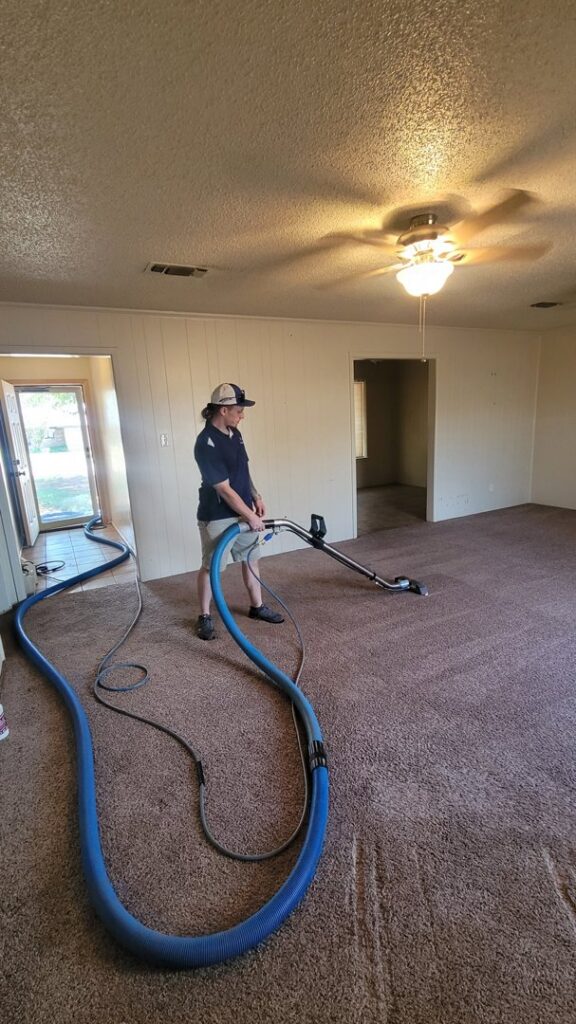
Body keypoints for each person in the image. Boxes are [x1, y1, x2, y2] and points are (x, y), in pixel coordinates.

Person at [193, 382, 284, 641]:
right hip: (218, 515)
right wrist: (251, 516)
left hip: (243, 508)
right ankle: (205, 616)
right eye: (238, 410)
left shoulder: (235, 434)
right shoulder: (206, 444)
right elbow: (224, 490)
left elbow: (243, 470)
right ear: (223, 410)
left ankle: (257, 606)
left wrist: (256, 496)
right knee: (211, 567)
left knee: (250, 557)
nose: (242, 415)